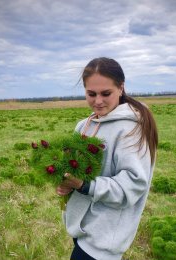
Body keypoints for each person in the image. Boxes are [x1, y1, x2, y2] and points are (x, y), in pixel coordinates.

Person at [56, 57, 158, 260]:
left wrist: (84, 185)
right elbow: (75, 170)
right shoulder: (84, 125)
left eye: (106, 93)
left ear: (121, 88)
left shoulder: (131, 129)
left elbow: (133, 185)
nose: (98, 101)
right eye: (91, 94)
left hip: (104, 239)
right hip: (80, 228)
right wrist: (66, 184)